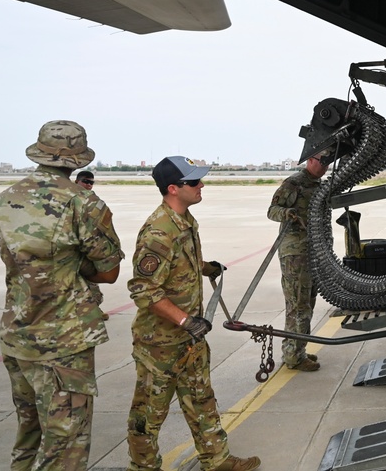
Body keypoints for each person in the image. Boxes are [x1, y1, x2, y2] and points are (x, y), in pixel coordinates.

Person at [0, 120, 122, 471]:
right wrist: (75, 266)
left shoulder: (3, 201)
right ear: (77, 158)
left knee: (29, 431)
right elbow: (108, 272)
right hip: (62, 341)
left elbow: (16, 258)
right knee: (66, 443)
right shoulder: (83, 203)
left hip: (16, 333)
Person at [126, 156, 260, 471]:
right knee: (149, 414)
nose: (202, 185)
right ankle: (142, 467)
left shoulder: (184, 221)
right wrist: (186, 320)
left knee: (201, 400)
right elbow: (144, 289)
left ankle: (217, 460)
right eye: (194, 182)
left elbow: (178, 263)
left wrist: (205, 268)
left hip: (189, 339)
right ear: (173, 188)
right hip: (160, 344)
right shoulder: (159, 231)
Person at [267, 154, 328, 371]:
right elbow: (272, 211)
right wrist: (288, 213)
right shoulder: (294, 184)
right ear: (310, 160)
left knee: (307, 303)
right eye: (321, 161)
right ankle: (293, 357)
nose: (325, 166)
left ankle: (296, 350)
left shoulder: (318, 185)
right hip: (295, 253)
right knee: (298, 304)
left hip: (311, 250)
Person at [74, 170, 109, 320]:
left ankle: (94, 309)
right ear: (77, 181)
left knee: (91, 286)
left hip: (86, 249)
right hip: (72, 250)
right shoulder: (68, 198)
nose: (88, 185)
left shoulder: (92, 200)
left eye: (91, 182)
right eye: (85, 181)